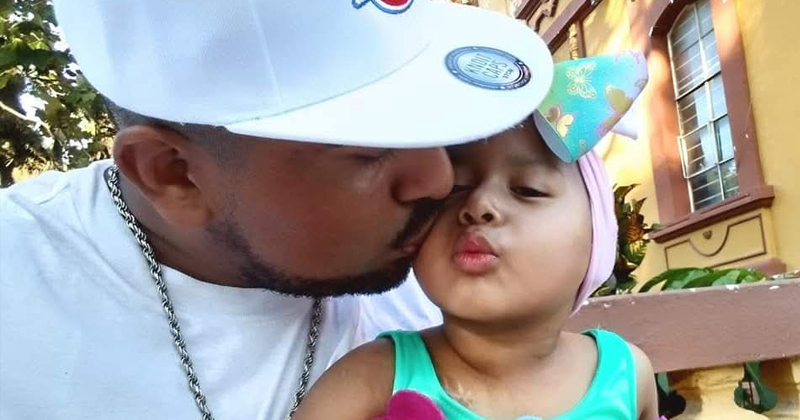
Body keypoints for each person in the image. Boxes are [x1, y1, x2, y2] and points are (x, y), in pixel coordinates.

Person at [0, 0, 556, 419]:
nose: (440, 182)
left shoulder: (451, 273)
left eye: (438, 127)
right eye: (370, 151)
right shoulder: (18, 303)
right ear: (173, 174)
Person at [292, 53, 661, 420]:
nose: (478, 205)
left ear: (598, 237)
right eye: (455, 187)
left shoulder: (629, 377)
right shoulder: (370, 380)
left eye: (527, 189)